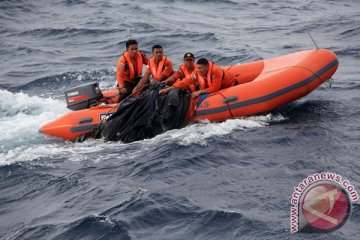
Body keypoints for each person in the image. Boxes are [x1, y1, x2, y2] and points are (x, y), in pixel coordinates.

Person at [159, 58, 235, 98]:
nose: (198, 70)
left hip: (230, 86)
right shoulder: (197, 72)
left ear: (207, 66)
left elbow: (215, 88)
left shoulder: (216, 71)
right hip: (218, 89)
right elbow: (185, 82)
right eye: (197, 68)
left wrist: (199, 92)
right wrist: (167, 89)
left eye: (200, 68)